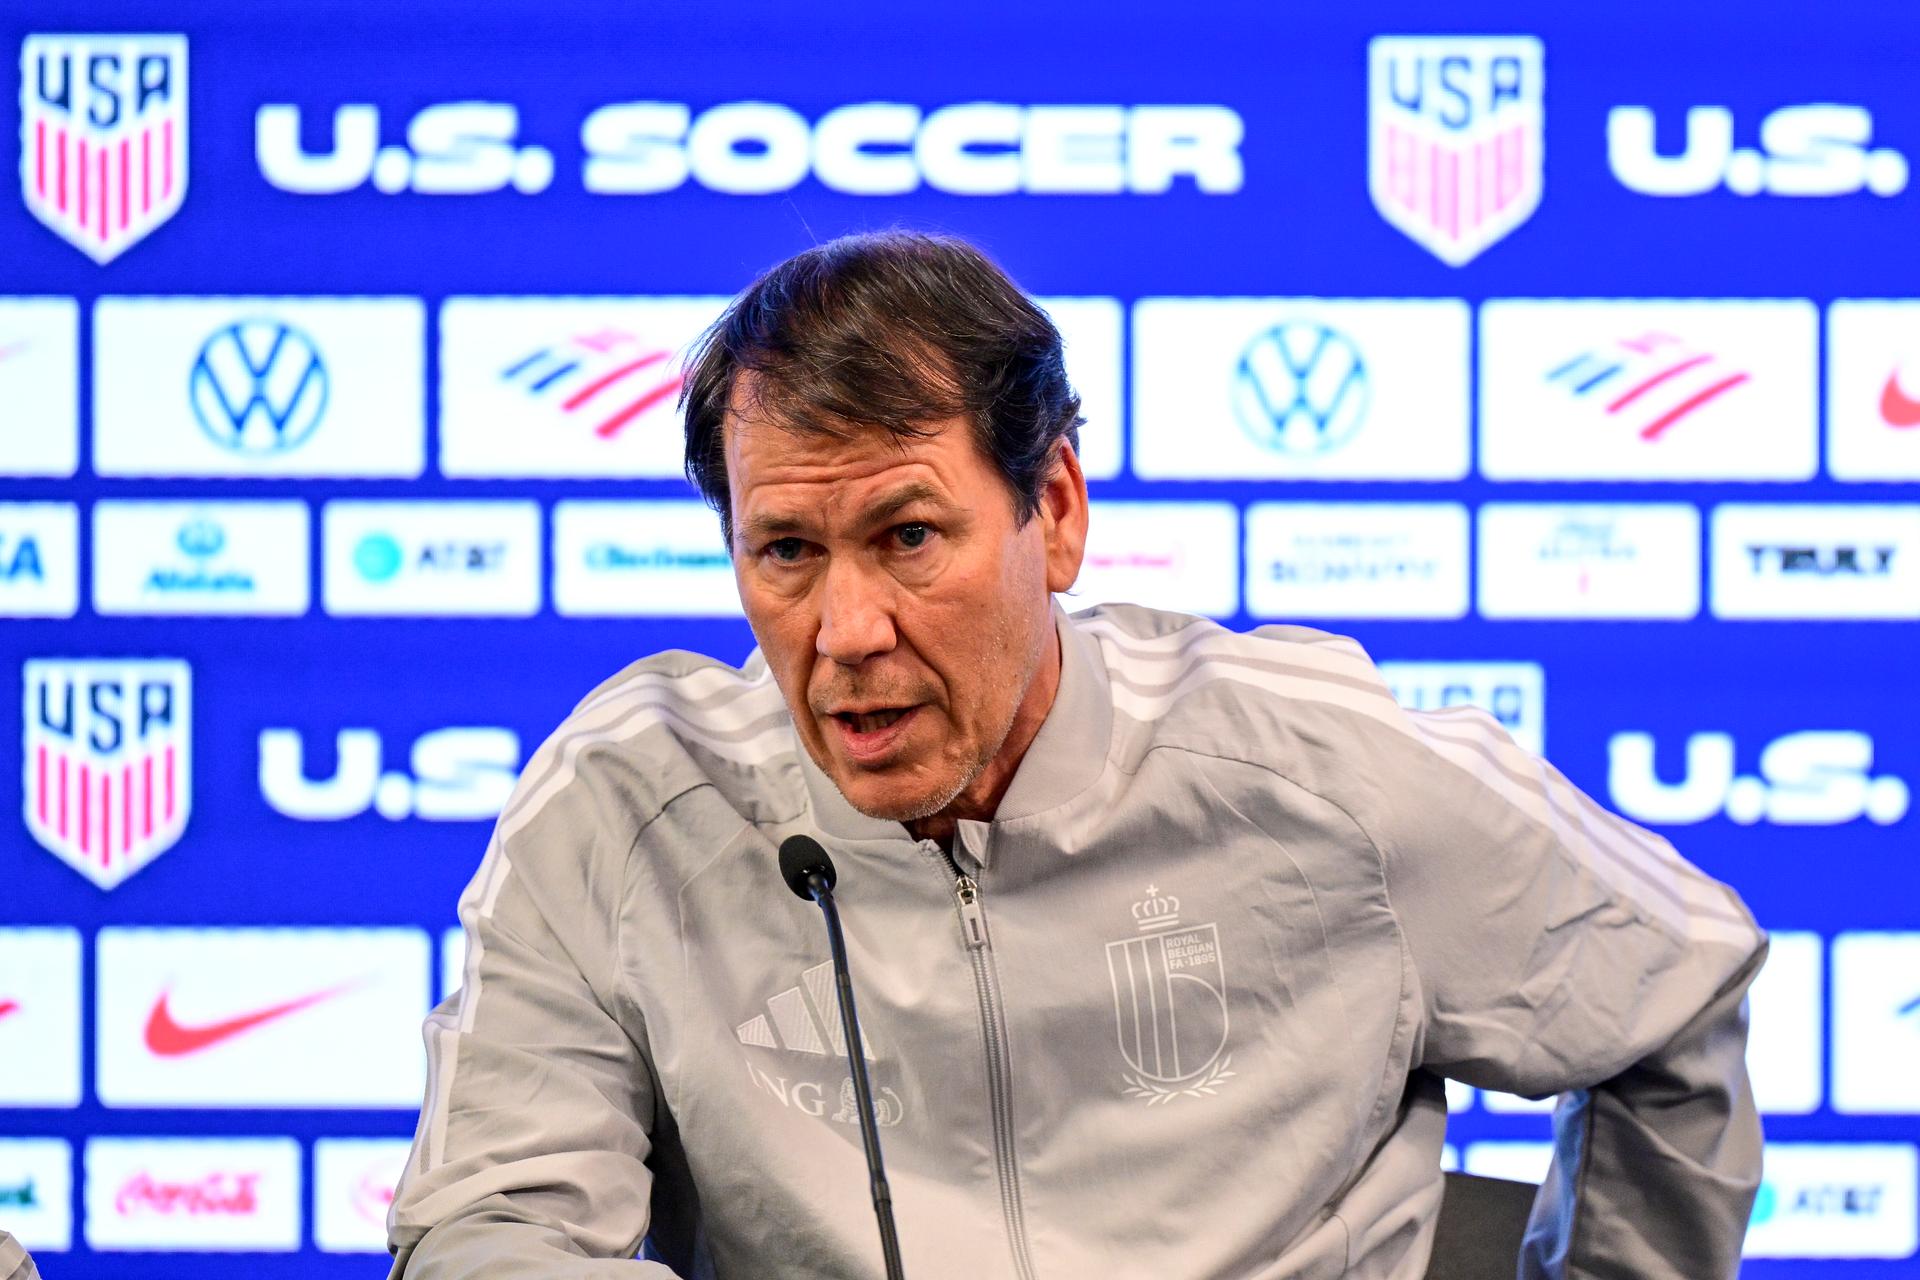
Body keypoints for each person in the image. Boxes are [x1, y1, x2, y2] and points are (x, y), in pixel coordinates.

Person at [386, 231, 1765, 1279]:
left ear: (1052, 512)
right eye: (786, 552)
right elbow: (487, 1230)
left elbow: (1674, 984)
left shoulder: (1316, 774)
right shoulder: (624, 812)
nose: (846, 631)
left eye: (909, 538)